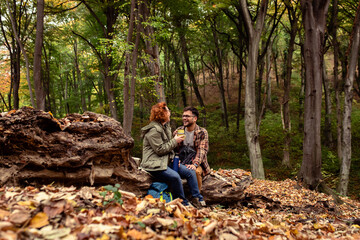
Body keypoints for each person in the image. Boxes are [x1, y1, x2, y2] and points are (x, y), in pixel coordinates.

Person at [140, 102, 205, 207]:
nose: (170, 113)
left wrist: (174, 158)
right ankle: (183, 203)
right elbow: (160, 150)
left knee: (190, 172)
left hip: (164, 162)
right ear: (163, 114)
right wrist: (175, 141)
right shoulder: (153, 130)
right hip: (154, 164)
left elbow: (169, 148)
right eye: (168, 111)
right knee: (175, 177)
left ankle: (198, 199)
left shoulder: (165, 128)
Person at [174, 106, 210, 191]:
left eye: (187, 116)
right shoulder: (179, 130)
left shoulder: (202, 132)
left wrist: (195, 164)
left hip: (196, 162)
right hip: (182, 162)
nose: (184, 118)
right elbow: (175, 150)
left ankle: (197, 197)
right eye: (183, 116)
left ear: (195, 119)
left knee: (196, 172)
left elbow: (202, 151)